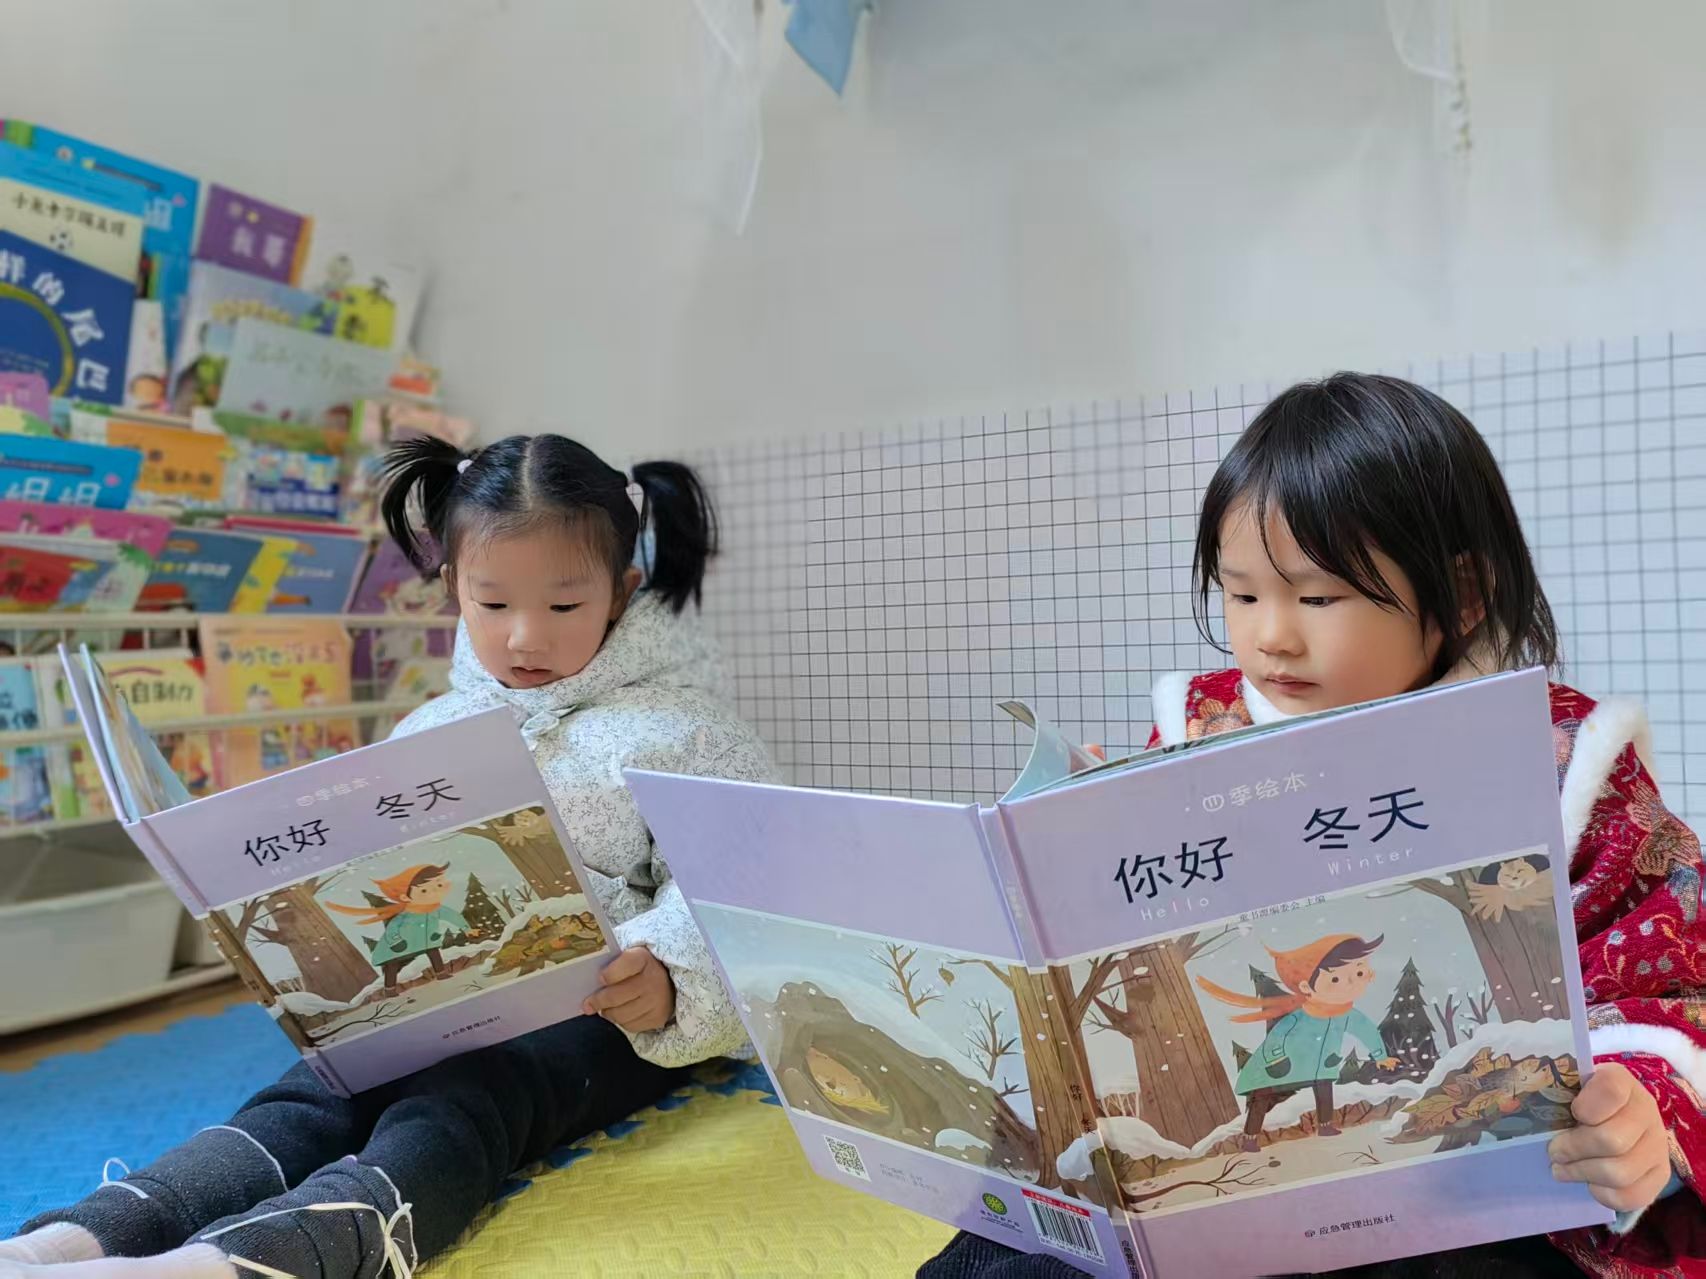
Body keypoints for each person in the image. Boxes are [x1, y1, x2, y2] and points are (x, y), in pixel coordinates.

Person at [921, 374, 1705, 1279]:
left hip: (1472, 1196)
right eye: (1242, 595)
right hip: (1236, 1188)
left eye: (1318, 598)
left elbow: (1673, 985)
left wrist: (1638, 1114)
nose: (1272, 638)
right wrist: (1087, 842)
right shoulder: (1203, 730)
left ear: (1462, 594)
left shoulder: (1560, 759)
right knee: (1021, 1247)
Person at [1, 433, 777, 1278]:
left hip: (611, 1022)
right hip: (426, 1003)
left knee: (467, 1099)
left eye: (563, 606)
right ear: (452, 588)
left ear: (621, 592)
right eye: (492, 603)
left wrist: (666, 971)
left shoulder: (684, 731)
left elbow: (745, 884)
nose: (524, 636)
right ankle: (87, 1233)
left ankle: (242, 1262)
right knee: (311, 1092)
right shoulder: (429, 730)